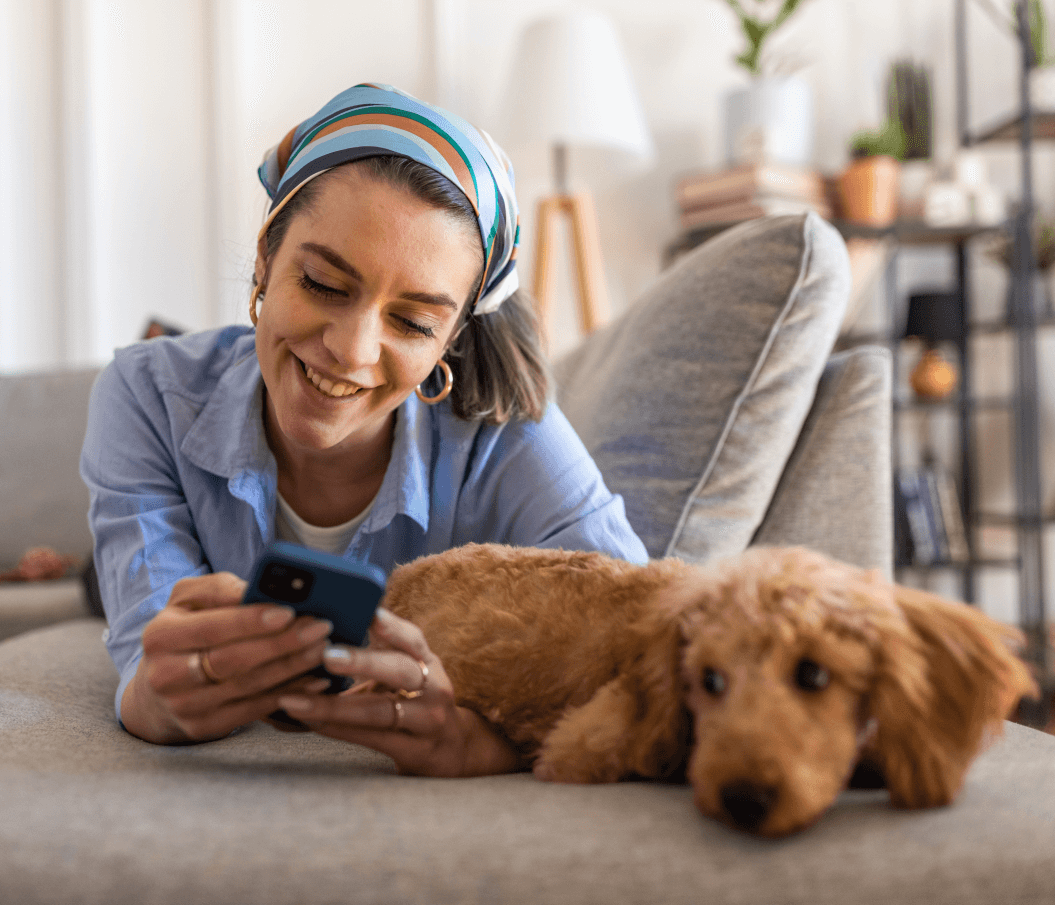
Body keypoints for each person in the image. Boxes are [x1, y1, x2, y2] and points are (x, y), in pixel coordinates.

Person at [80, 83, 647, 777]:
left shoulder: (505, 432)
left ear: (451, 341)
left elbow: (643, 647)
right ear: (265, 257)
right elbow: (145, 662)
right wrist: (158, 700)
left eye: (412, 323)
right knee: (91, 583)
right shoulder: (146, 394)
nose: (351, 350)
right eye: (322, 282)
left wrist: (479, 742)